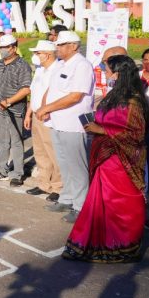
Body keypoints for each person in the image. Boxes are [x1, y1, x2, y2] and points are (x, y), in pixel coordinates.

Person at [62, 55, 148, 262]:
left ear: (118, 73)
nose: (105, 72)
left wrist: (100, 129)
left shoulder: (134, 100)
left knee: (118, 203)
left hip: (120, 161)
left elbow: (136, 133)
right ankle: (93, 242)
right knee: (100, 203)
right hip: (105, 158)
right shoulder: (115, 95)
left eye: (108, 69)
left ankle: (122, 245)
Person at [36, 31, 95, 223]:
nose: (58, 48)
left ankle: (80, 206)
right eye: (58, 45)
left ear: (74, 46)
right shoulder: (61, 64)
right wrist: (44, 107)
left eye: (62, 45)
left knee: (77, 167)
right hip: (57, 122)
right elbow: (50, 90)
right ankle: (67, 199)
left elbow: (75, 96)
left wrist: (48, 107)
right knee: (65, 164)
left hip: (73, 124)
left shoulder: (82, 66)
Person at [0, 34, 31, 186]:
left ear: (13, 48)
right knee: (3, 141)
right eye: (1, 47)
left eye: (5, 47)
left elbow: (26, 89)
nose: (2, 50)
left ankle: (17, 174)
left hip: (14, 110)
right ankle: (1, 171)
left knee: (16, 141)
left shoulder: (23, 65)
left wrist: (9, 101)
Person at [23, 41, 63, 201]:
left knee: (53, 152)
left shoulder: (58, 70)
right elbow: (34, 93)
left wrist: (45, 110)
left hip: (50, 116)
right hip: (36, 115)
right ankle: (43, 184)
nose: (35, 56)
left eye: (38, 53)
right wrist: (28, 114)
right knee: (40, 151)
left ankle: (58, 187)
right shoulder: (40, 70)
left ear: (47, 54)